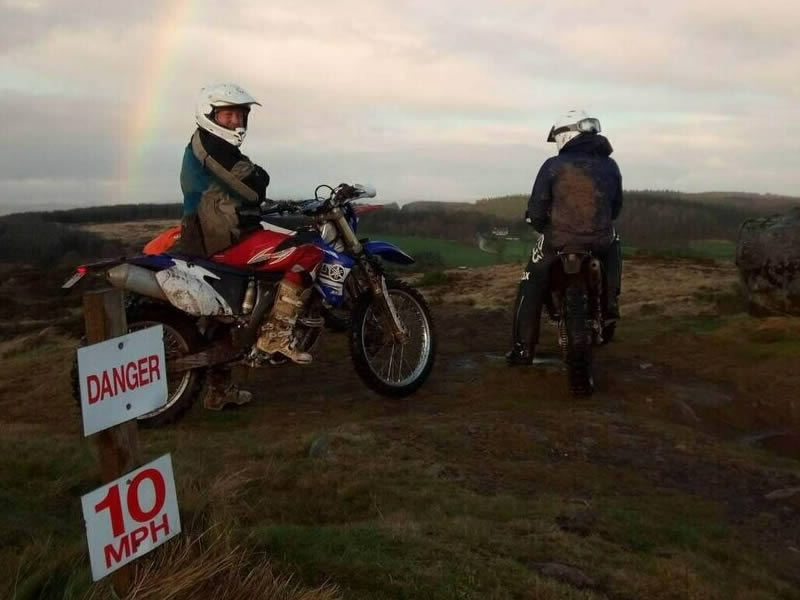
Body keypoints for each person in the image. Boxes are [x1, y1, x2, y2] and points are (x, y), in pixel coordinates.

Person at [180, 83, 323, 409]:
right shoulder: (213, 147)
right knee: (309, 250)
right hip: (221, 238)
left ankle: (218, 391)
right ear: (209, 115)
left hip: (209, 235)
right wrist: (258, 179)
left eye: (239, 115)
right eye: (227, 115)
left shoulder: (209, 144)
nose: (235, 122)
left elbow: (242, 190)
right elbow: (252, 186)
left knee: (223, 314)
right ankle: (276, 334)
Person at [506, 109, 623, 366]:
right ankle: (610, 306)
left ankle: (522, 349)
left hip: (558, 240)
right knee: (615, 244)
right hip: (600, 239)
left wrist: (539, 224)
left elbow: (537, 209)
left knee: (531, 282)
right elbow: (615, 208)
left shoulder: (553, 166)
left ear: (565, 135)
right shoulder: (611, 165)